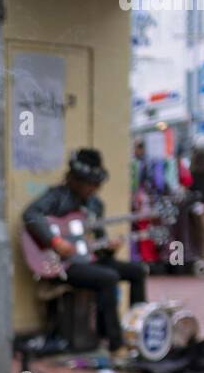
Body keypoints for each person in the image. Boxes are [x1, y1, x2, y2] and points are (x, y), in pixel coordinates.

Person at [22, 147, 147, 354]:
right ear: (76, 180)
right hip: (63, 264)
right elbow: (31, 215)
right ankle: (114, 343)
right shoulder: (57, 197)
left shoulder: (96, 206)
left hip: (89, 259)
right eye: (91, 184)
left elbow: (98, 243)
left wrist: (109, 247)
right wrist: (55, 241)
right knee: (108, 277)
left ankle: (139, 329)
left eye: (96, 185)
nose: (94, 189)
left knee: (137, 271)